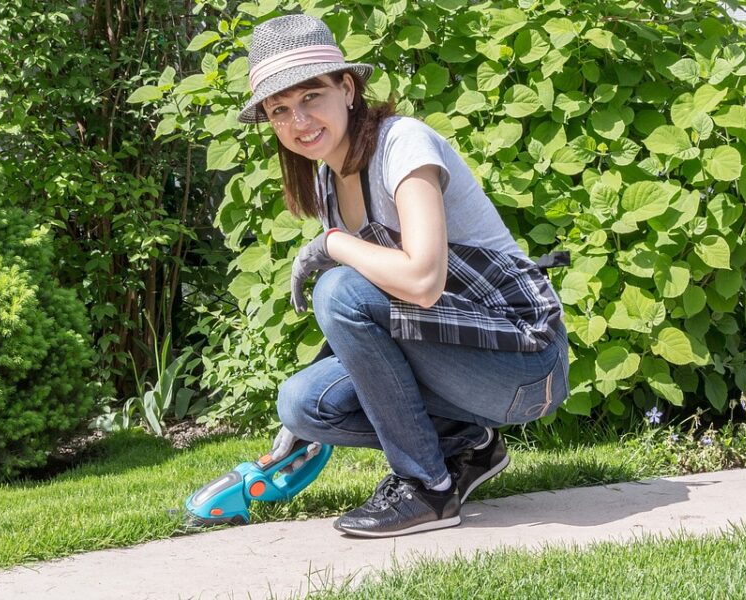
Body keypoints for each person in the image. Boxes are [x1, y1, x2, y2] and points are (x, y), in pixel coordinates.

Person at [240, 14, 570, 537]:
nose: (298, 120)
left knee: (338, 284)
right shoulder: (329, 180)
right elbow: (369, 318)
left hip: (525, 364)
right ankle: (466, 445)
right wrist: (298, 425)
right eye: (280, 110)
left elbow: (421, 280)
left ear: (346, 88)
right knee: (303, 404)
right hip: (454, 353)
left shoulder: (402, 144)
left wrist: (332, 244)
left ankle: (426, 489)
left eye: (310, 97)